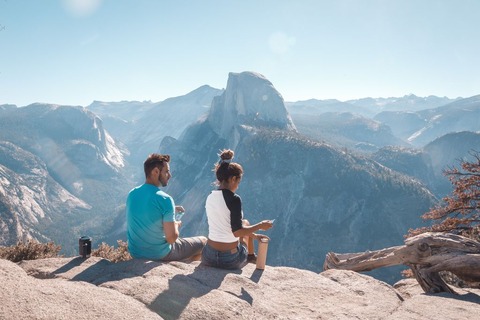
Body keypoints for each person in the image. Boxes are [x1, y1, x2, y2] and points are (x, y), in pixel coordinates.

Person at [126, 153, 206, 261]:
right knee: (204, 242)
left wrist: (172, 208)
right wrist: (177, 224)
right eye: (167, 171)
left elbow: (146, 210)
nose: (170, 175)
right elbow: (171, 238)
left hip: (136, 253)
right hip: (159, 254)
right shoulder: (165, 199)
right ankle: (181, 269)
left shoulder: (132, 194)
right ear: (155, 172)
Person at [201, 149, 273, 269]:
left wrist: (255, 236)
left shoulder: (210, 197)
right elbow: (237, 232)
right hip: (229, 259)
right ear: (233, 179)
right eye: (238, 182)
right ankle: (250, 256)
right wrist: (261, 225)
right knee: (244, 226)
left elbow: (226, 225)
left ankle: (250, 255)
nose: (238, 186)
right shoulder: (234, 199)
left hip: (208, 256)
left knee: (244, 223)